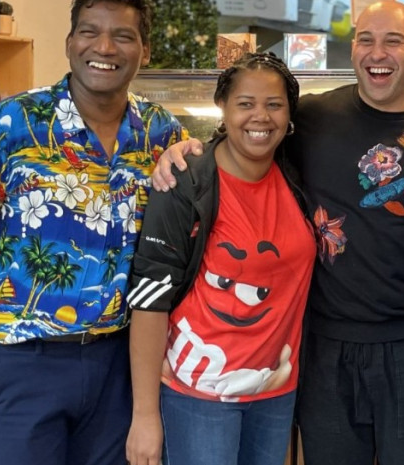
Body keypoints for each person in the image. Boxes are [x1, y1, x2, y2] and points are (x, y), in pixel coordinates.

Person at [150, 2, 404, 464]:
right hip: (323, 345)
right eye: (366, 39)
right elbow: (250, 136)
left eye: (393, 40)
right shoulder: (311, 117)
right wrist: (189, 151)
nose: (377, 52)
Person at [0, 1, 186, 464]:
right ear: (69, 43)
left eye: (123, 36)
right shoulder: (8, 126)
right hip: (19, 359)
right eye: (89, 32)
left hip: (119, 366)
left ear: (144, 51)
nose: (104, 47)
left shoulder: (161, 135)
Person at [124, 53, 314, 465]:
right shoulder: (185, 181)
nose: (260, 117)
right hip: (198, 396)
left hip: (275, 391)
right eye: (245, 103)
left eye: (274, 104)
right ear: (223, 108)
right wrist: (144, 416)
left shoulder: (296, 175)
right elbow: (150, 300)